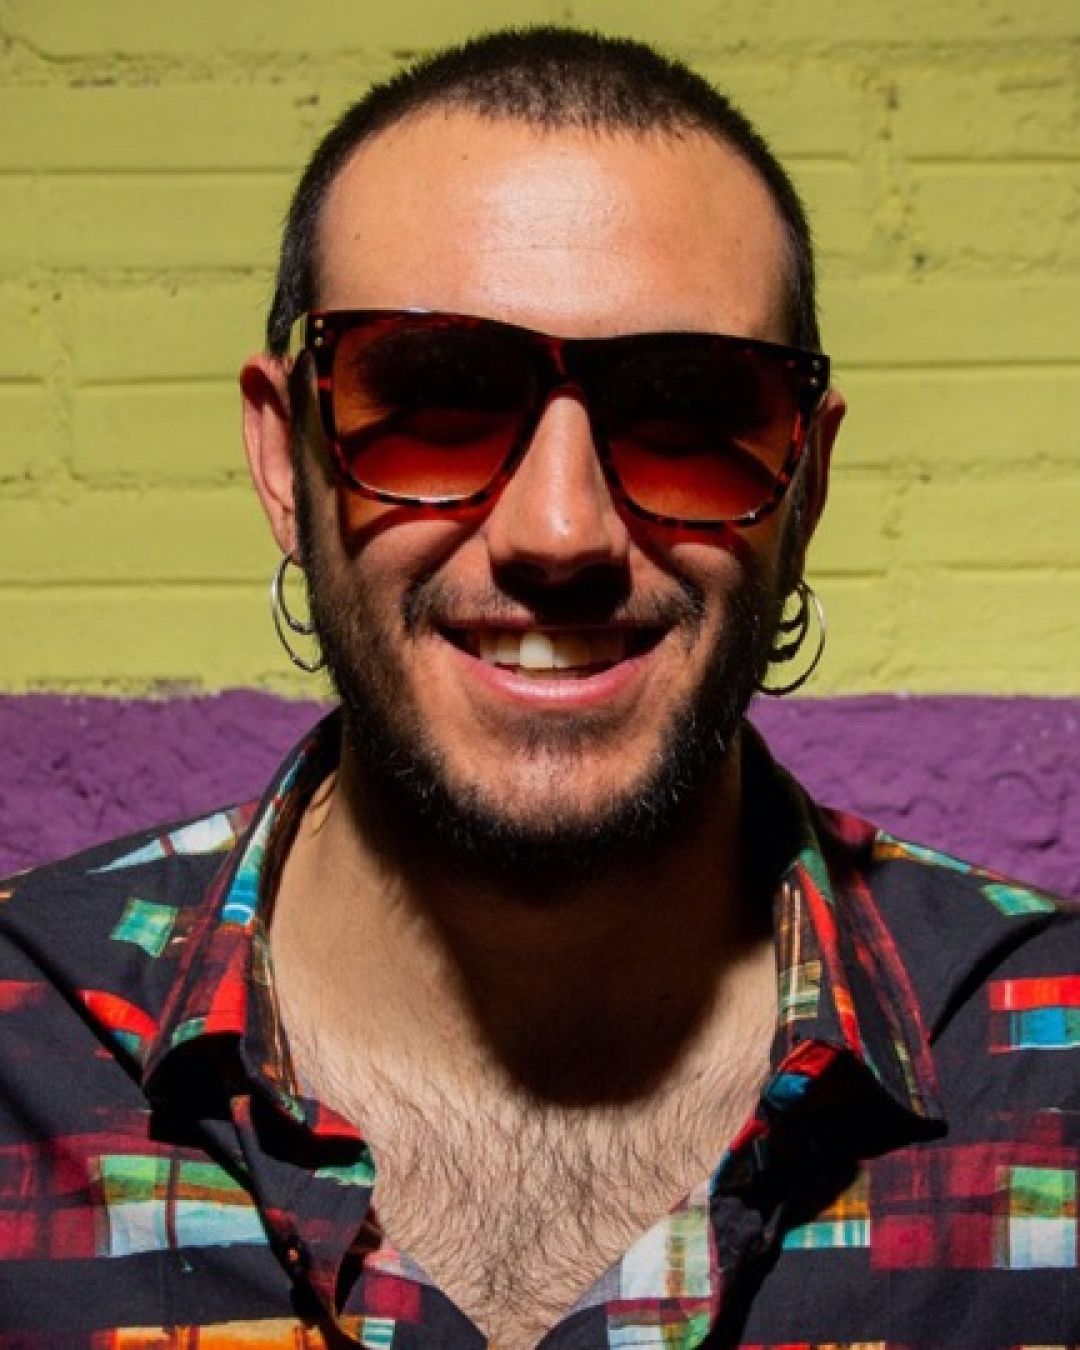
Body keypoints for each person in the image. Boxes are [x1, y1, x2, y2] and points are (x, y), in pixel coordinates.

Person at [0, 26, 1076, 1349]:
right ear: (286, 461)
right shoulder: (25, 1038)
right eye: (436, 399)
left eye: (688, 410)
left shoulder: (1052, 1065)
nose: (560, 531)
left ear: (805, 485)